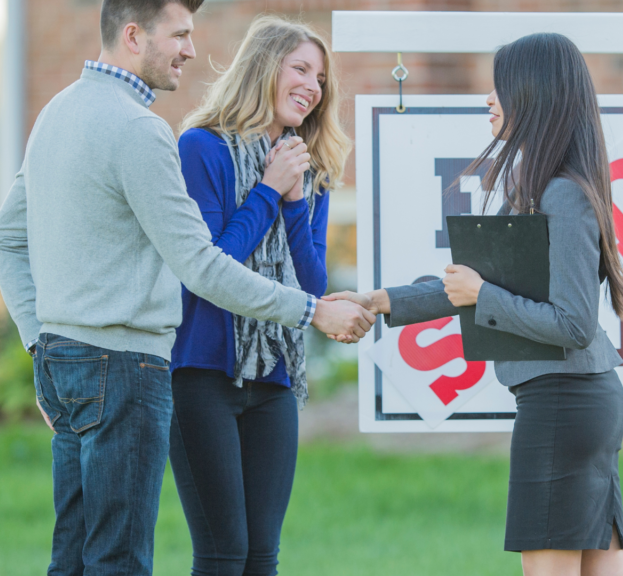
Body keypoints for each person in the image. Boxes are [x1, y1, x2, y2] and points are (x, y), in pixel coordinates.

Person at [0, 1, 372, 574]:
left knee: (79, 555)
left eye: (320, 76)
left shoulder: (57, 113)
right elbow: (203, 265)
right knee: (121, 557)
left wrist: (44, 346)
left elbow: (2, 241)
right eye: (181, 34)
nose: (192, 49)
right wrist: (309, 308)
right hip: (137, 365)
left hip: (80, 359)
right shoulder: (152, 133)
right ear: (135, 36)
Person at [326, 33, 623, 576]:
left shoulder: (562, 193)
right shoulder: (546, 187)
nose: (489, 99)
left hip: (563, 405)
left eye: (502, 88)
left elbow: (574, 323)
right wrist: (377, 301)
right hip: (581, 402)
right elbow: (465, 285)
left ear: (536, 95)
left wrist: (485, 296)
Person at [165, 16, 349, 575]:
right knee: (223, 555)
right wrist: (267, 190)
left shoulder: (305, 168)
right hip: (201, 373)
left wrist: (294, 200)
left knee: (262, 558)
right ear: (264, 69)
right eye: (300, 69)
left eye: (319, 77)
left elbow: (310, 285)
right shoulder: (201, 150)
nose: (313, 86)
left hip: (271, 379)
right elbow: (212, 264)